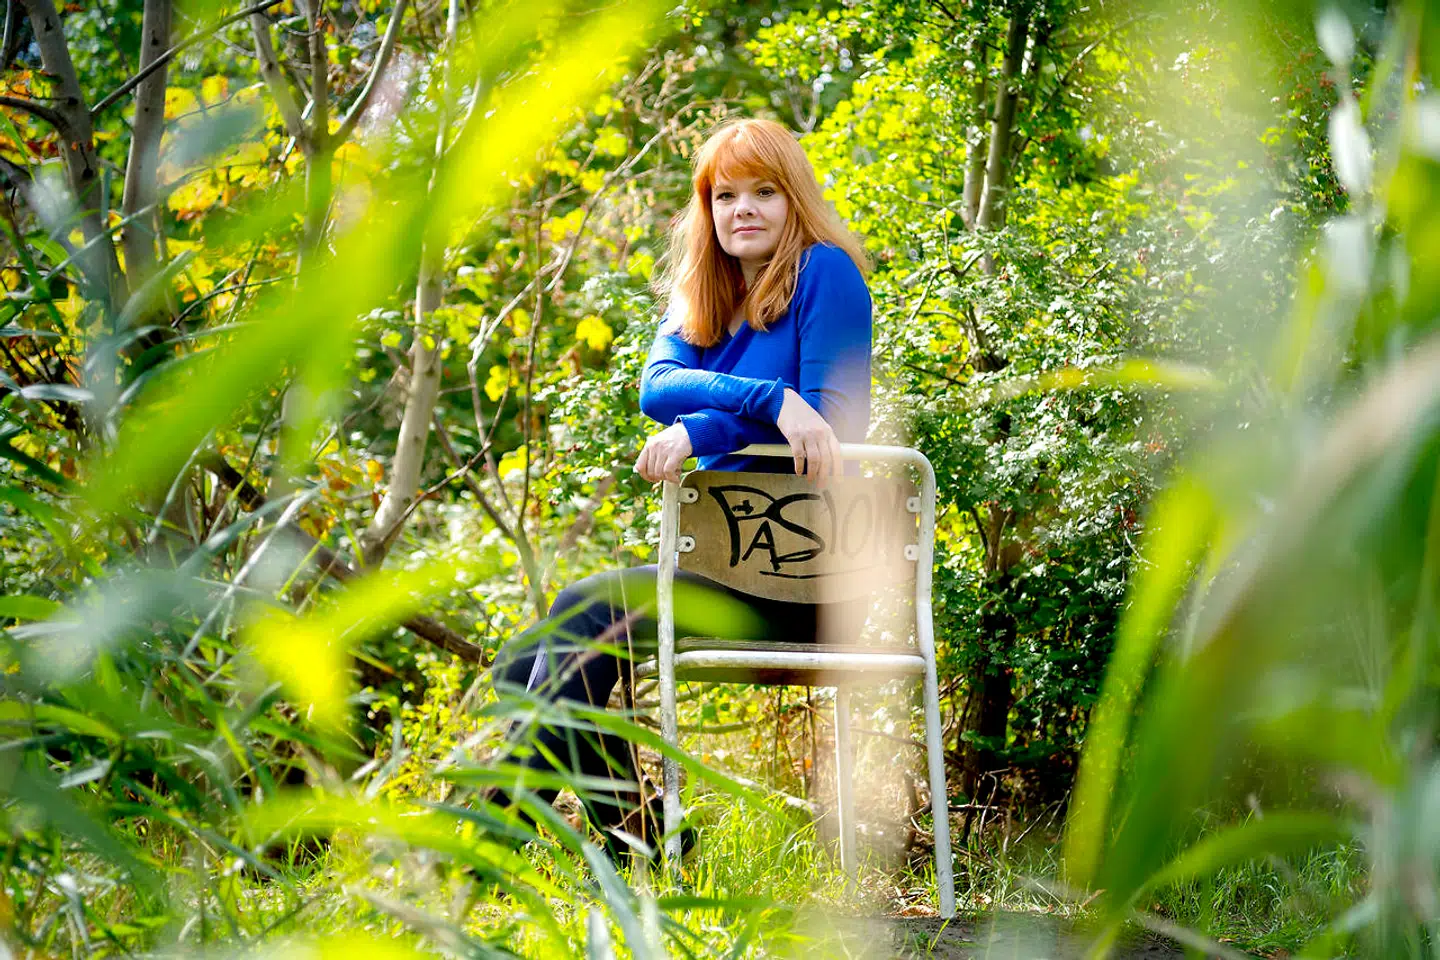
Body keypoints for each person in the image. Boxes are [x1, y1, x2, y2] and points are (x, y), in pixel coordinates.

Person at [486, 117, 873, 860]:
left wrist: (708, 428)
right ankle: (650, 842)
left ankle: (488, 840)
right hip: (722, 568)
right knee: (523, 661)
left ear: (794, 198)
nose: (743, 208)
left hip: (802, 574)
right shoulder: (704, 295)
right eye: (725, 195)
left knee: (583, 610)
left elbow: (831, 425)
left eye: (764, 191)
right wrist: (768, 401)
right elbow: (657, 387)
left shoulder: (825, 273)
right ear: (708, 209)